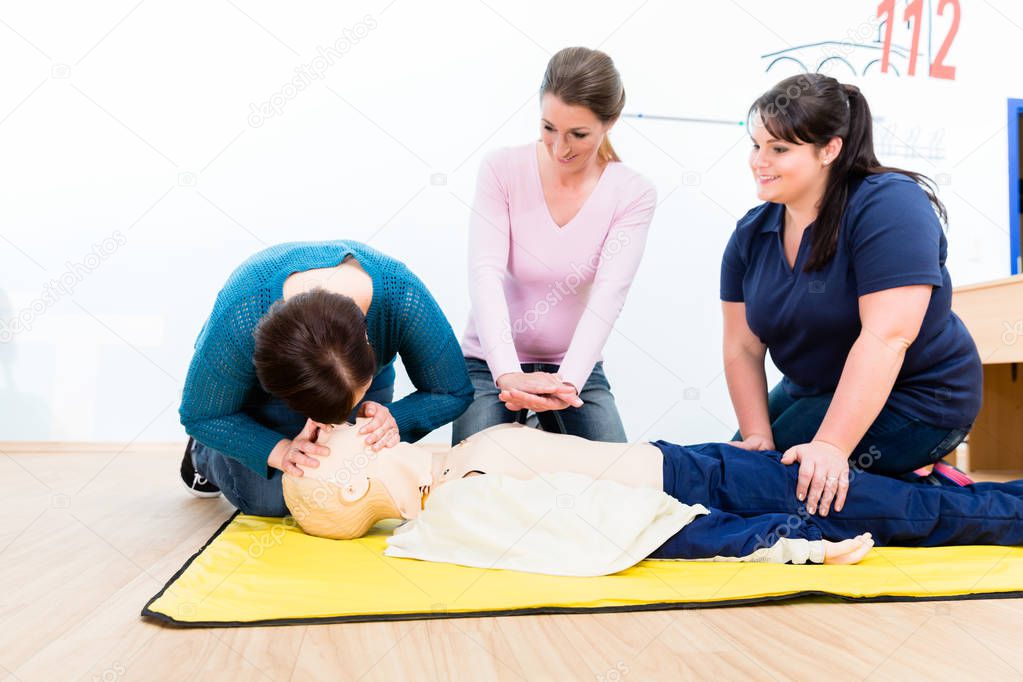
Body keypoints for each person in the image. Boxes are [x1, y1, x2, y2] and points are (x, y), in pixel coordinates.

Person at [721, 73, 982, 517]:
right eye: (755, 144)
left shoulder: (890, 206)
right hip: (813, 388)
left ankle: (950, 494)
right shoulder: (752, 232)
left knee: (772, 488)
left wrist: (830, 445)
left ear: (830, 150)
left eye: (779, 149)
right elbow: (742, 346)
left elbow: (887, 337)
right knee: (742, 466)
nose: (759, 161)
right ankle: (899, 474)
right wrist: (756, 435)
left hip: (920, 397)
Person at [281, 421, 1023, 566]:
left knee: (899, 495)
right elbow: (628, 529)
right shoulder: (464, 501)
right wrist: (778, 541)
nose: (342, 423)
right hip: (711, 486)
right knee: (921, 514)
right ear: (351, 480)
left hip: (698, 461)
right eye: (327, 445)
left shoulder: (453, 469)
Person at [178, 240, 473, 516]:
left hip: (346, 379)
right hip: (260, 398)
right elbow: (200, 415)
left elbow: (453, 390)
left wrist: (395, 419)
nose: (333, 425)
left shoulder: (402, 295)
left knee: (343, 486)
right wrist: (280, 451)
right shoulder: (242, 311)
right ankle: (203, 454)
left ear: (368, 341)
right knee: (271, 501)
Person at [454, 46, 658, 444]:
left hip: (572, 367)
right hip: (488, 363)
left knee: (617, 482)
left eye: (578, 135)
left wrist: (567, 383)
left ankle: (537, 427)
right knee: (473, 472)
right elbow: (484, 274)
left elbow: (608, 295)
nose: (560, 147)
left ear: (610, 122)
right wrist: (507, 374)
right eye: (548, 128)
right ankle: (529, 427)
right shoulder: (501, 169)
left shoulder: (632, 192)